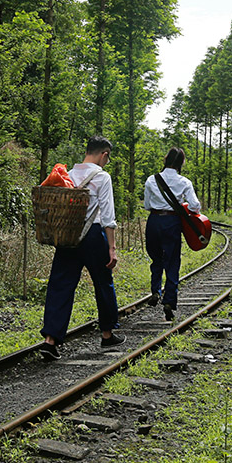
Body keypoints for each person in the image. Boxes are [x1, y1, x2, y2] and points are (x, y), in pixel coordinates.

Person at [39, 136, 124, 360]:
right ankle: (107, 334)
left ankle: (51, 340)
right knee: (103, 283)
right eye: (108, 157)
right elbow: (107, 216)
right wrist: (112, 248)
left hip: (68, 235)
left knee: (60, 285)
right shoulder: (102, 177)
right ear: (104, 154)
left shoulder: (68, 175)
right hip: (93, 236)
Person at [143, 147, 201, 322]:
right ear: (181, 162)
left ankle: (155, 290)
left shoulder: (151, 180)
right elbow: (195, 205)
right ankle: (169, 301)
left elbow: (147, 205)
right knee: (172, 261)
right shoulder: (184, 182)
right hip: (172, 222)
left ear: (165, 159)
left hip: (153, 221)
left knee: (156, 258)